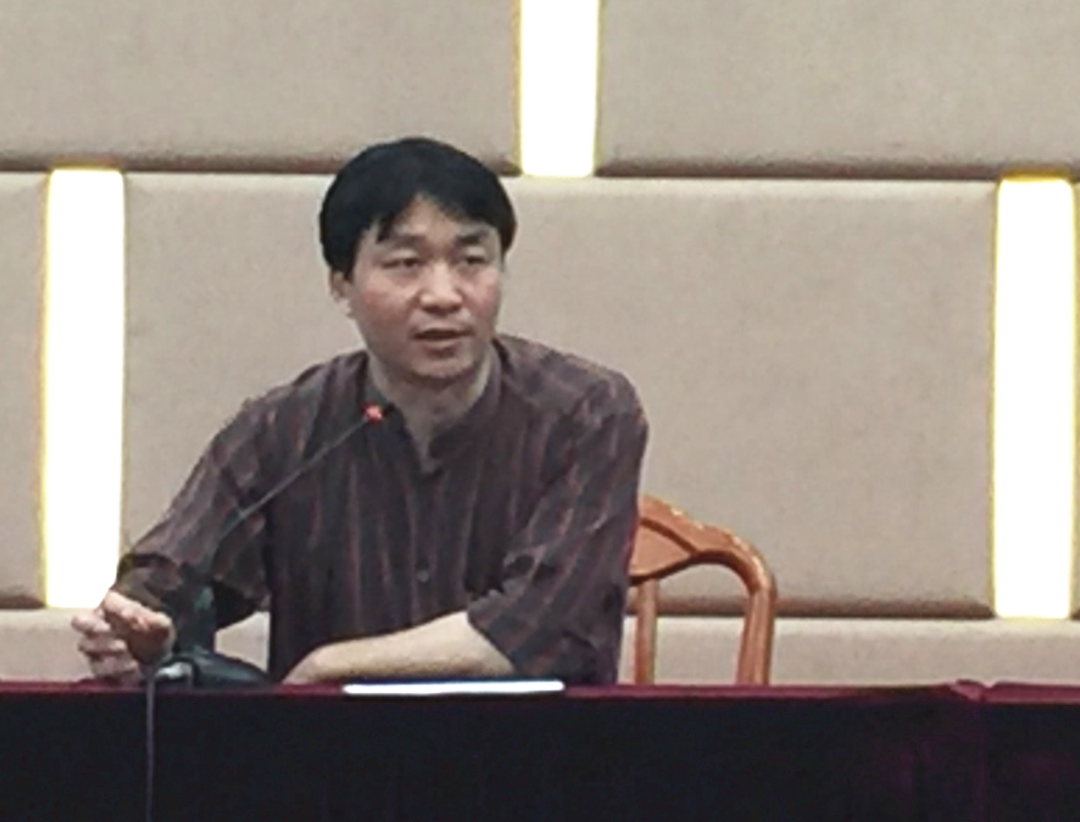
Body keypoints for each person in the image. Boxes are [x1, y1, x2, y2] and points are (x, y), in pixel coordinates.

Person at [72, 136, 648, 684]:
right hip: (335, 751)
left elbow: (540, 629)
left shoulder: (586, 414)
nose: (444, 295)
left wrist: (332, 666)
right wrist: (135, 628)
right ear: (341, 284)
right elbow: (172, 577)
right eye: (405, 264)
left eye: (472, 261)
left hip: (534, 747)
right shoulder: (284, 429)